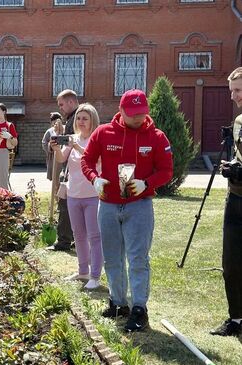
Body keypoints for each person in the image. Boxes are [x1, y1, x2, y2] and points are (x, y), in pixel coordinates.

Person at [81, 89, 173, 332]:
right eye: (132, 114)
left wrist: (147, 183)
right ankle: (118, 302)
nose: (138, 118)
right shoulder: (103, 133)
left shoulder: (156, 137)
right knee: (112, 256)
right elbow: (87, 160)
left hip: (139, 206)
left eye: (142, 113)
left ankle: (139, 308)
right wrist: (94, 179)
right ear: (120, 111)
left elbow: (166, 170)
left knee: (137, 258)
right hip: (109, 204)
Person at [51, 103, 102, 290]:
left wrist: (78, 147)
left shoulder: (97, 139)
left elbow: (97, 160)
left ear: (92, 121)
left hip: (93, 195)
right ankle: (83, 271)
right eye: (79, 118)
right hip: (73, 194)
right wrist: (56, 148)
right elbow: (61, 159)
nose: (80, 122)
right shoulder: (72, 139)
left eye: (85, 119)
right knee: (78, 235)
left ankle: (95, 276)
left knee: (94, 237)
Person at [211, 67, 242, 336]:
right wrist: (233, 166)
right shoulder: (239, 121)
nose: (234, 96)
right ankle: (236, 319)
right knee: (231, 261)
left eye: (239, 90)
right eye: (231, 90)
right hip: (236, 198)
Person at [47, 89, 79, 251]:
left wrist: (58, 138)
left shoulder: (78, 118)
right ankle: (73, 238)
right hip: (73, 167)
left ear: (71, 102)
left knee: (65, 204)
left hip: (73, 169)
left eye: (61, 104)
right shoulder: (74, 117)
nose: (60, 108)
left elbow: (74, 141)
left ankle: (64, 240)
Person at [42, 112, 64, 182]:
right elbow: (44, 143)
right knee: (54, 176)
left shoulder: (65, 128)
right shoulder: (49, 131)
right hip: (53, 156)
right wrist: (50, 147)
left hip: (63, 155)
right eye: (53, 120)